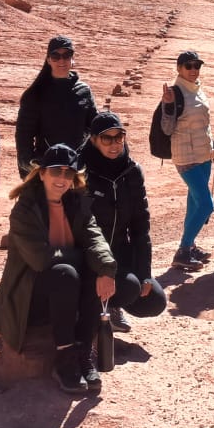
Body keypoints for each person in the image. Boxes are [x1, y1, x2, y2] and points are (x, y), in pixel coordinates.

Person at [0, 143, 117, 396]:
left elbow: (94, 238)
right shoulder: (25, 210)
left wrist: (106, 268)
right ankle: (64, 357)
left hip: (67, 295)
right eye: (56, 171)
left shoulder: (77, 203)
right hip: (31, 299)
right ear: (42, 174)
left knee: (94, 270)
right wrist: (83, 258)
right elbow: (41, 259)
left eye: (68, 173)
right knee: (66, 273)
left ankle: (83, 351)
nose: (62, 179)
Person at [79, 110, 167, 331]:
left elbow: (140, 228)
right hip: (87, 255)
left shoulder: (132, 171)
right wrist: (101, 266)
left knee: (154, 300)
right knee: (128, 287)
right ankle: (89, 311)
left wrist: (145, 274)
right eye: (106, 138)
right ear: (94, 140)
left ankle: (110, 305)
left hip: (118, 251)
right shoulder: (81, 172)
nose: (114, 144)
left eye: (119, 137)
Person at [160, 49, 214, 270]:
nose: (193, 70)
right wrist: (168, 106)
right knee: (206, 204)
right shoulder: (174, 93)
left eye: (197, 65)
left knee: (194, 204)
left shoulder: (198, 90)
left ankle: (191, 246)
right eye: (189, 66)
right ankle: (183, 250)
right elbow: (166, 128)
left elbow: (204, 126)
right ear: (179, 68)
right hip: (186, 157)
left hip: (204, 155)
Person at [15, 35, 98, 174]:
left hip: (77, 166)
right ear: (48, 60)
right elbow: (24, 135)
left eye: (66, 55)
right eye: (55, 56)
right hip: (47, 166)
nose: (61, 60)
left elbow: (95, 127)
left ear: (72, 59)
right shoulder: (36, 93)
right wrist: (28, 168)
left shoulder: (84, 91)